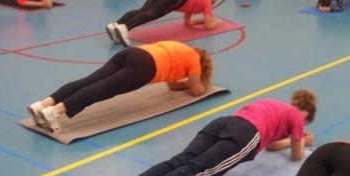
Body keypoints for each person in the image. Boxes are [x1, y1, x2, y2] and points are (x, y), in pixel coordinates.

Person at [103, 90, 318, 176]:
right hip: (245, 136)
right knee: (196, 173)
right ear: (306, 114)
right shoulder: (297, 117)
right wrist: (303, 141)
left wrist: (287, 140)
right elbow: (297, 156)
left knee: (180, 160)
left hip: (225, 123)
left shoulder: (273, 103)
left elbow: (271, 145)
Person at [26, 41, 212, 132]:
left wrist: (184, 81)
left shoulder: (180, 48)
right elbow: (196, 90)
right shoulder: (194, 60)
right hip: (145, 67)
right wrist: (199, 83)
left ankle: (42, 105)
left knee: (89, 80)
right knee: (102, 89)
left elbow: (172, 86)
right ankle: (54, 112)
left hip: (133, 52)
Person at [106, 0, 219, 47]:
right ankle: (124, 28)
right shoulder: (207, 2)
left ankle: (116, 24)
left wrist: (202, 21)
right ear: (212, 1)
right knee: (151, 14)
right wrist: (216, 23)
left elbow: (187, 22)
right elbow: (209, 26)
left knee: (143, 10)